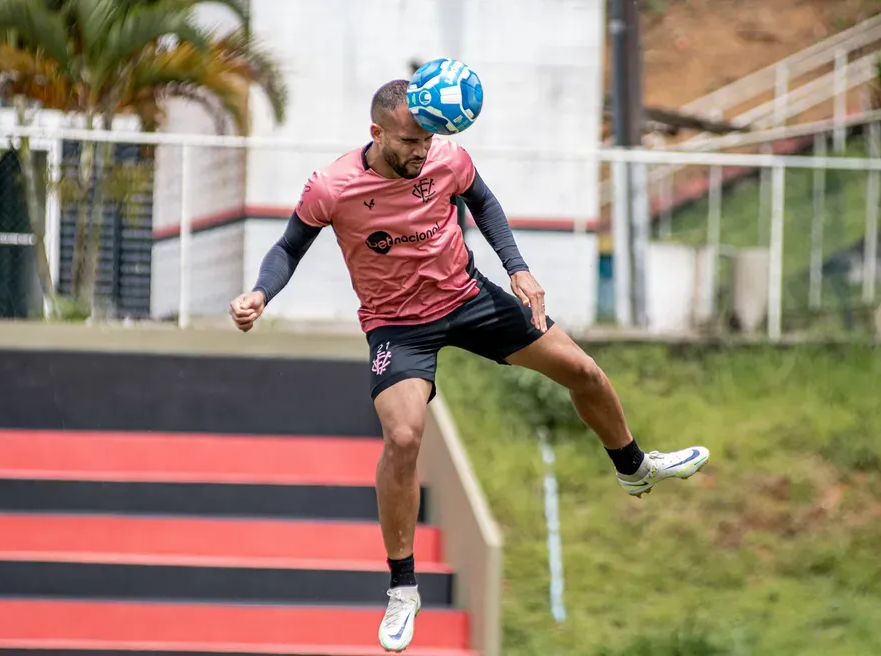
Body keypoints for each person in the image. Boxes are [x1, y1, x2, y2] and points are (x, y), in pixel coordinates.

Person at [229, 79, 710, 653]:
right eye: (409, 140)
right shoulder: (332, 187)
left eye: (428, 137)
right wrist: (261, 293)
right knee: (404, 435)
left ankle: (634, 467)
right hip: (397, 325)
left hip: (469, 298)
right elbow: (288, 247)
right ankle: (403, 587)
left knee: (584, 372)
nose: (421, 151)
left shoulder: (447, 155)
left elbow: (483, 201)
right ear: (376, 134)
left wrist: (517, 266)